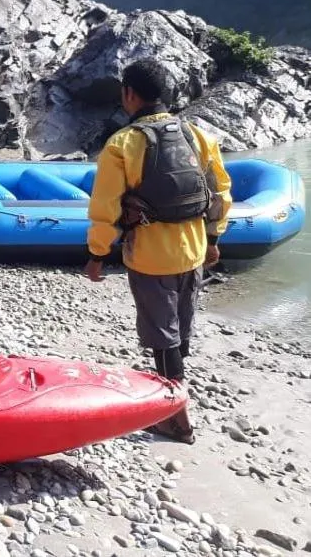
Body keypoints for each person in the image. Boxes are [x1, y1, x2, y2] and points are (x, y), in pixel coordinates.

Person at [85, 58, 232, 445]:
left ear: (129, 94)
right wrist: (214, 239)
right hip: (195, 250)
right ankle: (174, 395)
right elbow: (220, 194)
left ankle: (176, 418)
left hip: (151, 258)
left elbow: (105, 211)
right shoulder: (197, 136)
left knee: (161, 337)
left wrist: (98, 255)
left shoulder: (123, 144)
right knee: (179, 331)